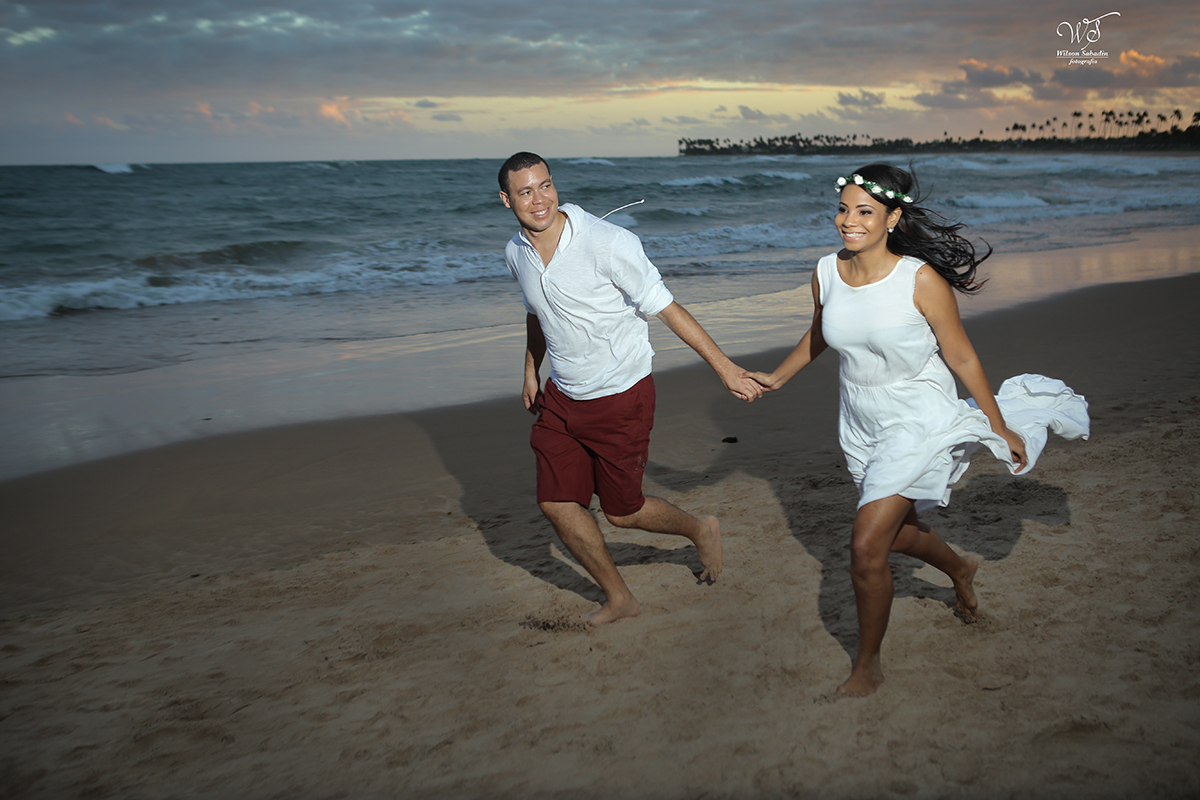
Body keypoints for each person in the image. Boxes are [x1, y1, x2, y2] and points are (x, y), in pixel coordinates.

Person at [743, 163, 1089, 697]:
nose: (848, 222)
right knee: (895, 532)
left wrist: (997, 426)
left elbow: (961, 355)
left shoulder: (919, 279)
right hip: (858, 418)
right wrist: (776, 379)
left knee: (864, 547)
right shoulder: (825, 271)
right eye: (843, 209)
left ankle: (867, 667)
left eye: (864, 212)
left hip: (916, 415)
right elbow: (819, 334)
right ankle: (960, 567)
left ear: (892, 218)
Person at [498, 152, 763, 625]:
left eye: (545, 186)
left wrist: (724, 368)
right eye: (525, 191)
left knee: (623, 511)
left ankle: (700, 529)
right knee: (556, 502)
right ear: (507, 200)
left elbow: (667, 307)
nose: (539, 200)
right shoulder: (516, 251)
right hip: (563, 397)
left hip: (621, 396)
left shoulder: (608, 242)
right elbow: (536, 311)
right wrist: (529, 370)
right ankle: (619, 597)